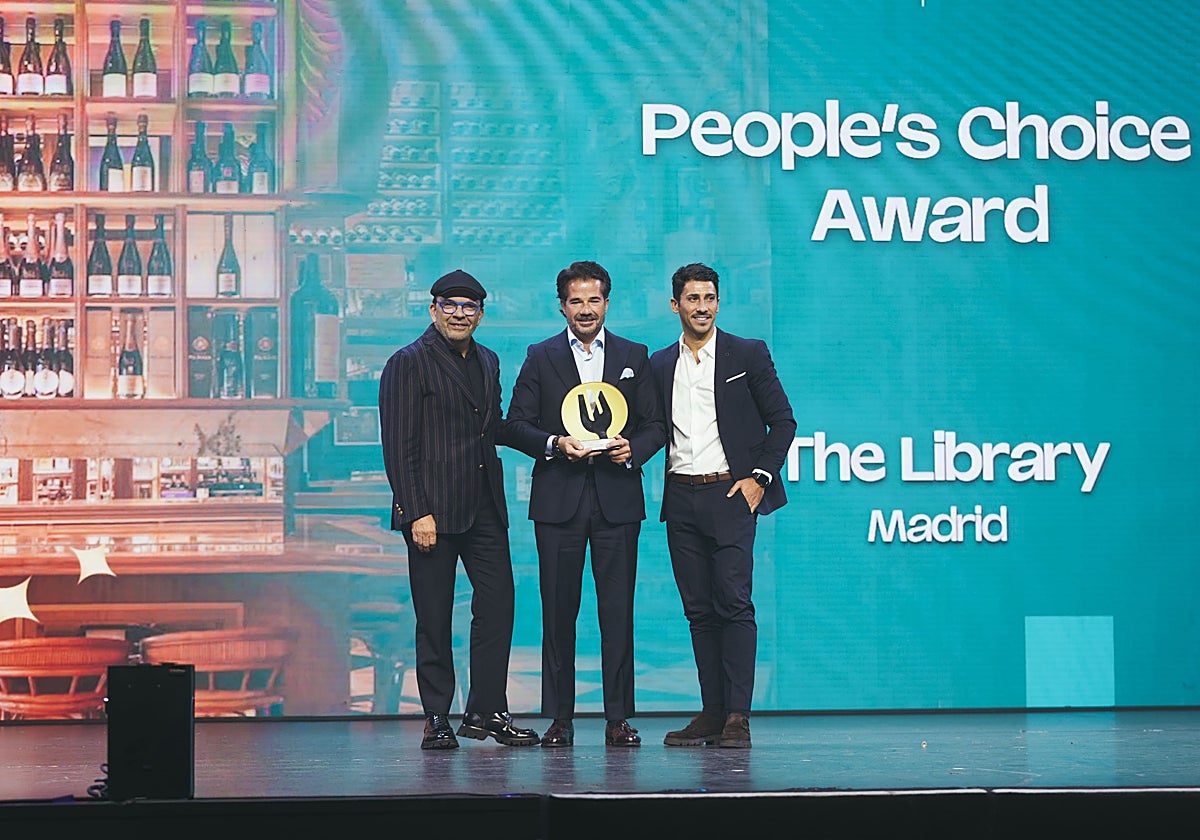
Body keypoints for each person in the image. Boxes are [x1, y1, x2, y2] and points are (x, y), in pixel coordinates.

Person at [377, 269, 540, 750]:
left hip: (484, 506)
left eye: (469, 307)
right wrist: (415, 511)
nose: (459, 314)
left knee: (498, 608)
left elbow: (494, 429)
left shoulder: (488, 360)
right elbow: (398, 444)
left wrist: (551, 442)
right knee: (434, 616)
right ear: (433, 310)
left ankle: (486, 712)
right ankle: (436, 717)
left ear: (481, 314)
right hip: (431, 511)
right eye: (449, 305)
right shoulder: (408, 362)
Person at [506, 260, 665, 747]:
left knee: (617, 611)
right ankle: (560, 719)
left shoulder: (634, 355)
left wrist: (632, 450)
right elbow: (514, 424)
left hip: (617, 500)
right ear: (562, 306)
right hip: (559, 501)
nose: (586, 309)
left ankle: (618, 719)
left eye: (594, 300)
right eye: (576, 301)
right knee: (558, 612)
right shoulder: (541, 355)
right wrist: (556, 443)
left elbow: (656, 425)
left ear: (607, 303)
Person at [649, 262, 796, 749]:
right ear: (676, 306)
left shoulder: (747, 353)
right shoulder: (657, 364)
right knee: (698, 611)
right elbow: (650, 431)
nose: (702, 307)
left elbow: (783, 422)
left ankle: (738, 717)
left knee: (733, 603)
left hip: (731, 494)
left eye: (709, 298)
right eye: (692, 299)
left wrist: (759, 478)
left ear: (718, 302)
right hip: (681, 497)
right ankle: (711, 713)